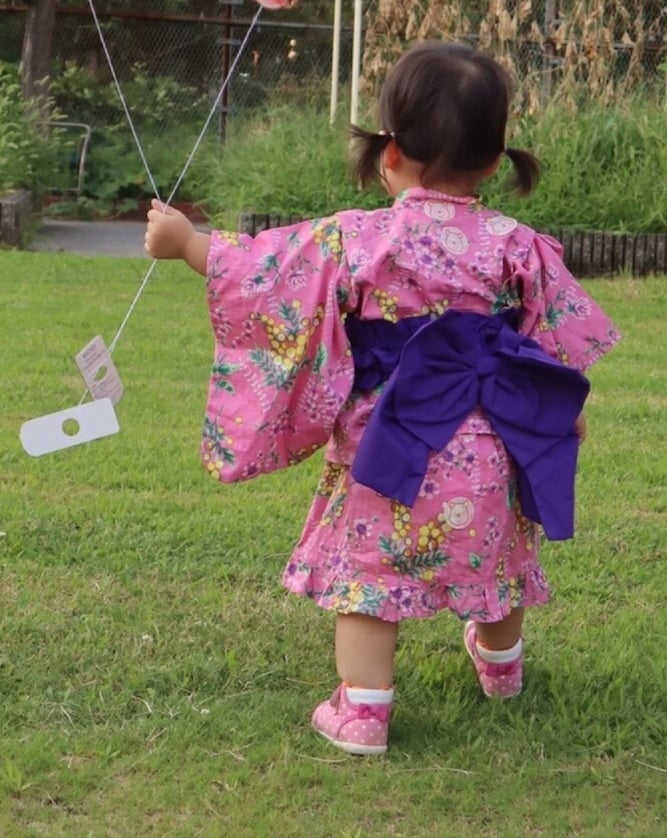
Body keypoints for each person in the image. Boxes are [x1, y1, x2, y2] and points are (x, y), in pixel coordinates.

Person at [144, 40, 620, 756]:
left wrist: (185, 242)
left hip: (391, 439)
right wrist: (563, 411)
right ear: (495, 162)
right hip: (490, 443)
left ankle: (363, 710)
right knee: (496, 557)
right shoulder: (518, 245)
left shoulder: (358, 239)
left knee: (370, 573)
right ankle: (501, 666)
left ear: (389, 154)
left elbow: (264, 270)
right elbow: (548, 344)